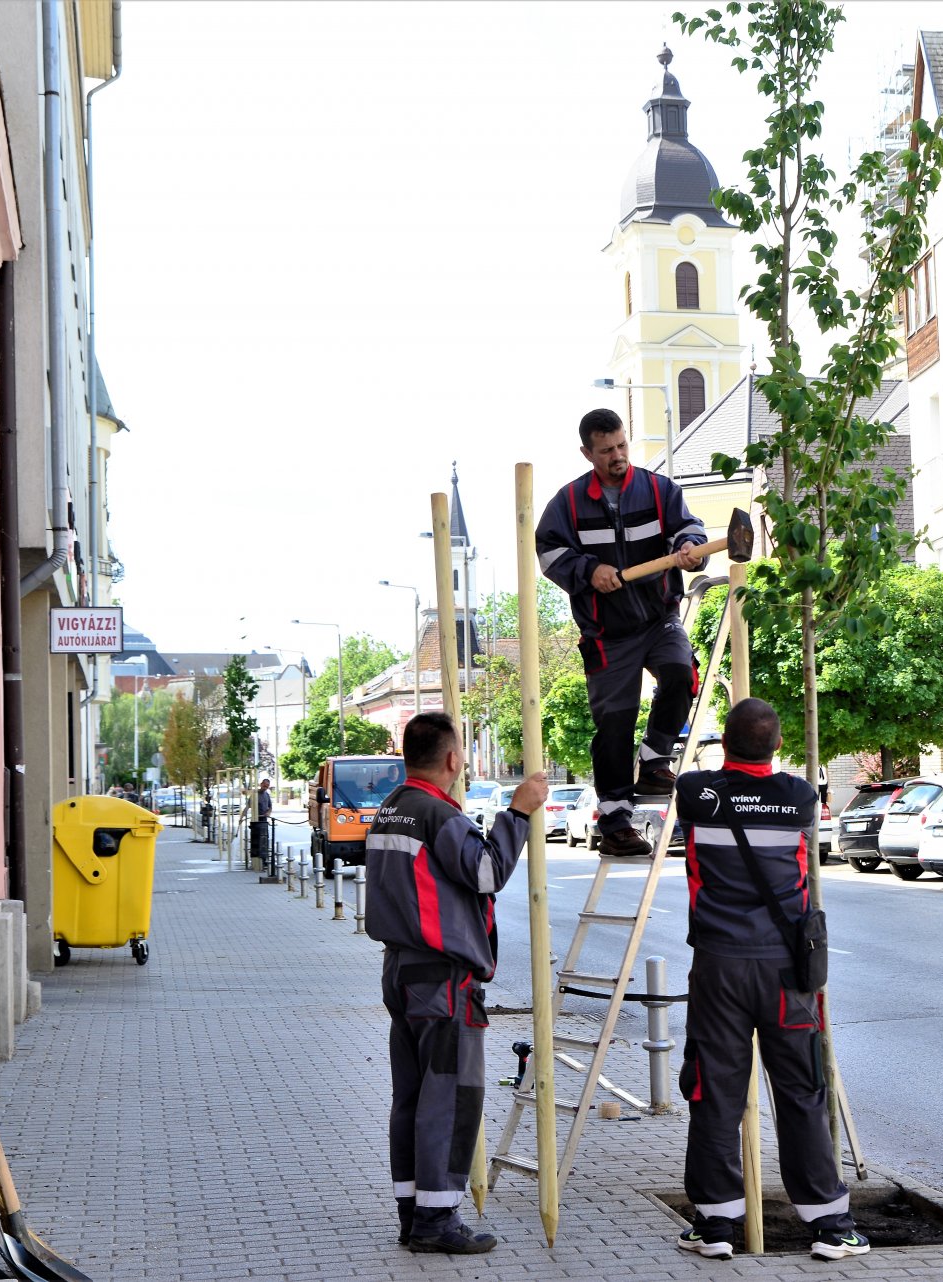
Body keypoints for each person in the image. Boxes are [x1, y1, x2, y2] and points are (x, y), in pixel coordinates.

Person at [672, 699, 868, 1262]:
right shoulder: (802, 798)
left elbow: (692, 781)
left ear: (725, 745)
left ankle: (714, 1227)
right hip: (787, 972)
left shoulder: (696, 793)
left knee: (714, 1092)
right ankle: (830, 1225)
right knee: (802, 1092)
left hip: (718, 968)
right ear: (778, 746)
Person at [365, 712, 547, 1254]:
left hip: (401, 972)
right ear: (452, 759)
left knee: (414, 1098)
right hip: (441, 982)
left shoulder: (390, 808)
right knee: (449, 1098)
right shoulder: (437, 814)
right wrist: (516, 812)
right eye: (463, 751)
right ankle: (436, 1222)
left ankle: (412, 1212)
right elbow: (487, 873)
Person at [535, 407, 708, 858]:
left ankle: (654, 761)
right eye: (607, 450)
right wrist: (589, 571)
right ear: (587, 452)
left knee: (679, 673)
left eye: (622, 446)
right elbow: (549, 552)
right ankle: (615, 823)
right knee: (614, 723)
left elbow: (688, 528)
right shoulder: (568, 504)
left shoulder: (657, 489)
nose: (618, 456)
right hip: (605, 632)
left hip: (659, 617)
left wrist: (688, 548)